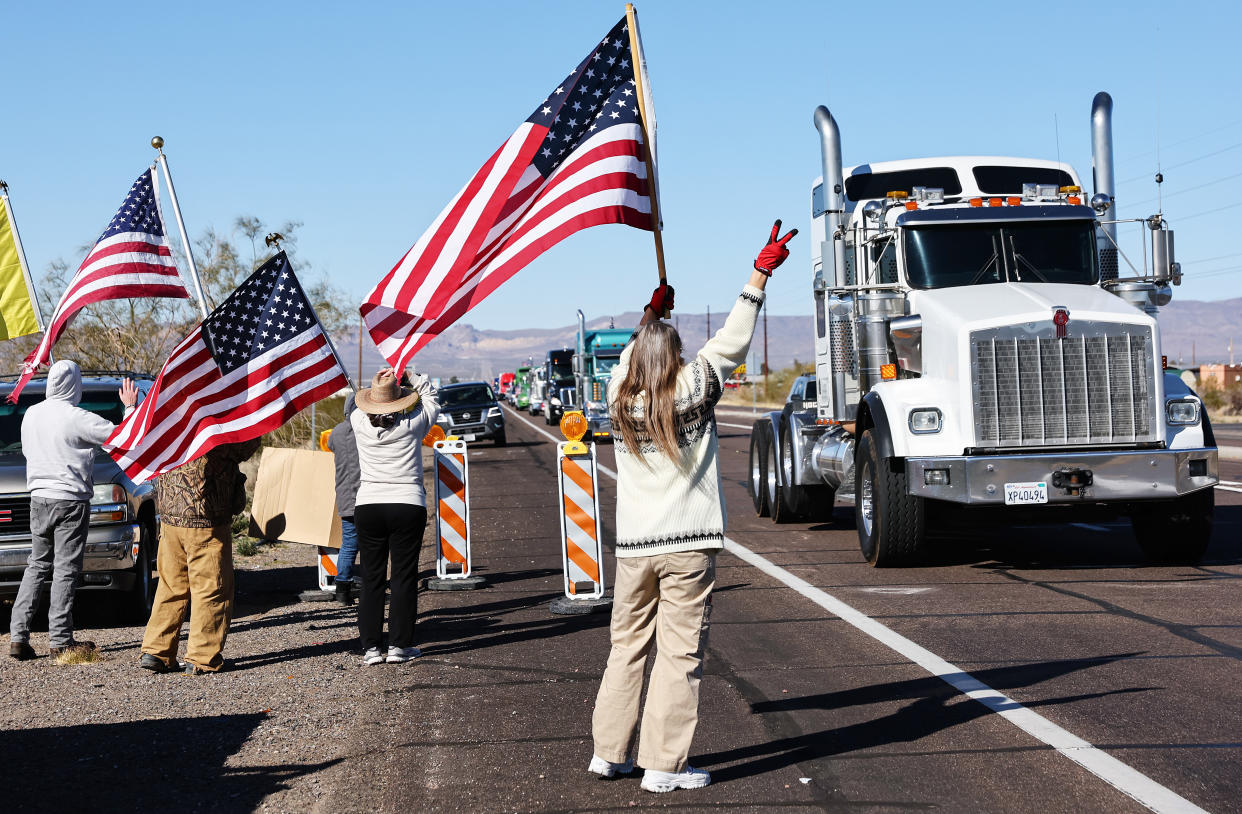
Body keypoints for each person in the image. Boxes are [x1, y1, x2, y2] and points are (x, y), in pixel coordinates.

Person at [588, 220, 796, 792]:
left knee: (625, 647)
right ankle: (663, 766)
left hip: (634, 547)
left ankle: (609, 752)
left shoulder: (617, 394)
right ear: (678, 355)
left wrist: (649, 320)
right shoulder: (697, 383)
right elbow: (734, 336)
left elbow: (637, 355)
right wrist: (758, 275)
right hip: (687, 545)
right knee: (679, 655)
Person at [9, 362, 138, 661]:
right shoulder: (76, 418)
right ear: (74, 385)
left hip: (38, 499)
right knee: (66, 569)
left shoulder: (31, 414)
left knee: (37, 565)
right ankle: (61, 640)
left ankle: (18, 636)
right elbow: (122, 439)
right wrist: (129, 408)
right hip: (70, 501)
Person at [138, 438, 261, 674]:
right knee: (211, 588)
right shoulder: (215, 423)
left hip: (170, 518)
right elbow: (245, 445)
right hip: (207, 519)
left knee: (171, 585)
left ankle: (156, 651)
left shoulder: (171, 419)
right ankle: (202, 657)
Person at [351, 368, 438, 666]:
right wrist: (409, 374)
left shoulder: (358, 423)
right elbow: (431, 398)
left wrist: (376, 387)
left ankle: (371, 648)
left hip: (369, 505)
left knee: (372, 577)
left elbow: (355, 404)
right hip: (407, 504)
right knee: (403, 576)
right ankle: (399, 646)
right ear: (400, 402)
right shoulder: (414, 424)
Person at [327, 394, 361, 605]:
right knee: (370, 546)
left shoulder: (336, 432)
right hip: (366, 497)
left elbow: (331, 447)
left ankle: (342, 590)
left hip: (345, 496)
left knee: (348, 544)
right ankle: (371, 587)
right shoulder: (366, 431)